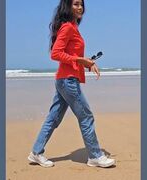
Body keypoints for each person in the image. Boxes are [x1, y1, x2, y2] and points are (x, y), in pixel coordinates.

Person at [28, 0, 115, 168]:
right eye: (75, 4)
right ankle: (95, 156)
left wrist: (87, 62)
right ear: (67, 6)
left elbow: (70, 56)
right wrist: (79, 59)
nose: (80, 7)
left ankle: (35, 153)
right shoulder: (68, 27)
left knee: (53, 118)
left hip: (64, 79)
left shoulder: (73, 27)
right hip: (67, 80)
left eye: (81, 4)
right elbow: (55, 54)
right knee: (86, 116)